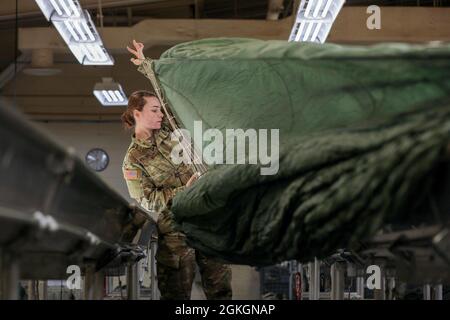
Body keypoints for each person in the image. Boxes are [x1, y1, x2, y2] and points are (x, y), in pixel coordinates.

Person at [121, 40, 232, 300]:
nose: (160, 113)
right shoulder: (133, 160)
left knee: (221, 292)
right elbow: (146, 199)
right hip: (175, 234)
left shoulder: (171, 130)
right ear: (137, 114)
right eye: (154, 110)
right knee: (176, 295)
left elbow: (169, 97)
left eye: (160, 110)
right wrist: (185, 190)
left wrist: (146, 66)